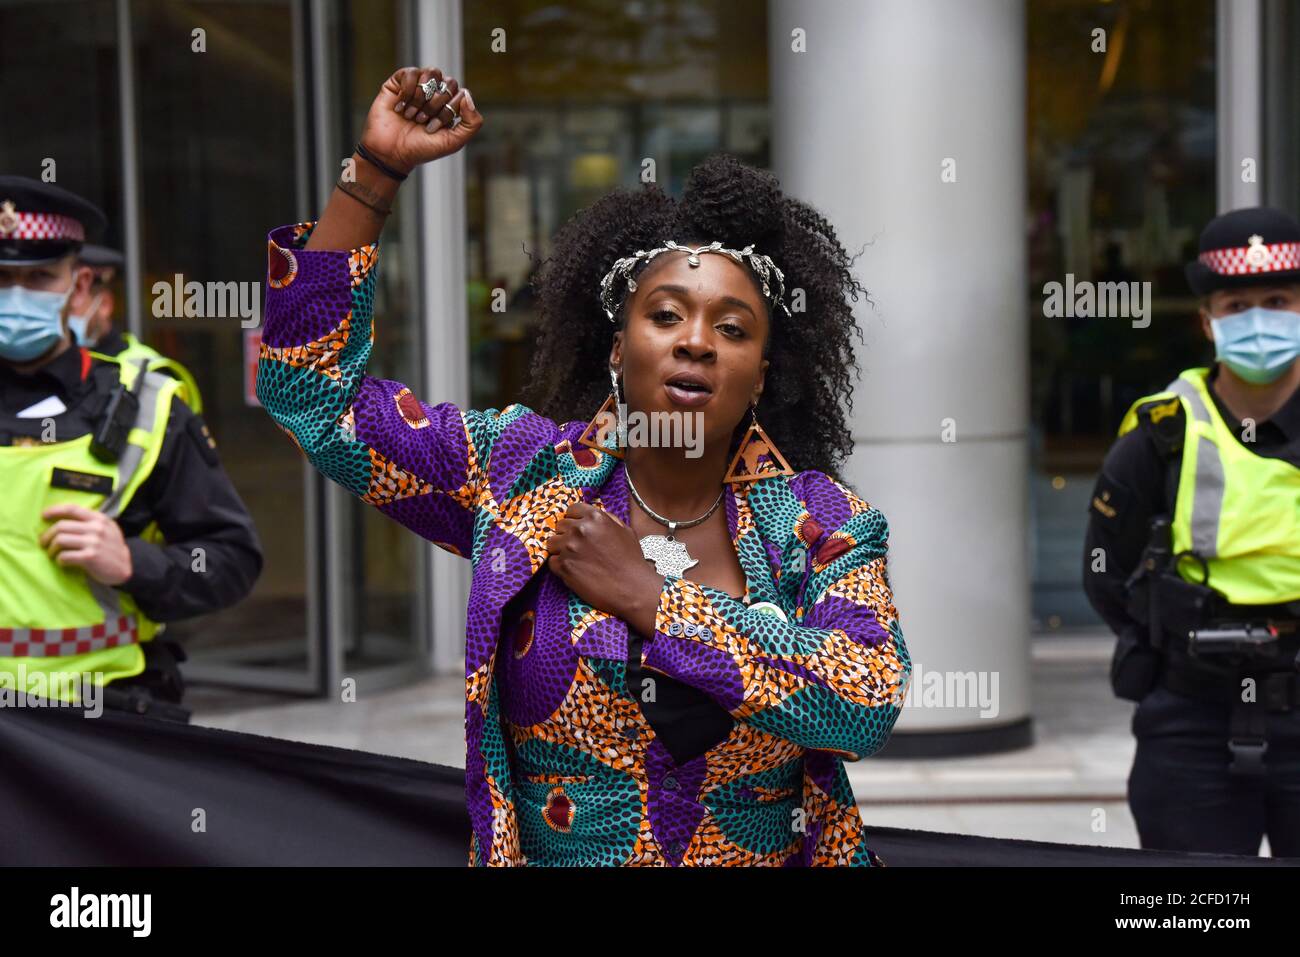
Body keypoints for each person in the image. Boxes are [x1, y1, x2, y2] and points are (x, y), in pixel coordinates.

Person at [257, 66, 911, 867]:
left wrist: (652, 599)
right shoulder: (516, 474)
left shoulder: (821, 523)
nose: (696, 340)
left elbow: (865, 698)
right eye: (665, 314)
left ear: (764, 374)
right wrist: (374, 175)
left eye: (733, 328)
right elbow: (310, 397)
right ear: (616, 347)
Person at [0, 175, 263, 721]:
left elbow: (231, 560)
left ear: (79, 285)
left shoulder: (148, 405)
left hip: (100, 726)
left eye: (39, 277)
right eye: (2, 279)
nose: (16, 297)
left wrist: (133, 563)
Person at [1083, 206, 1300, 856]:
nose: (1258, 320)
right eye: (1237, 304)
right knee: (1194, 915)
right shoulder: (1159, 432)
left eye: (1278, 300)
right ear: (1207, 321)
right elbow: (1103, 575)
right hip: (1191, 723)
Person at [67, 243, 204, 413]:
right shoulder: (53, 366)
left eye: (70, 308)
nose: (62, 315)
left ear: (104, 305)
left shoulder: (151, 372)